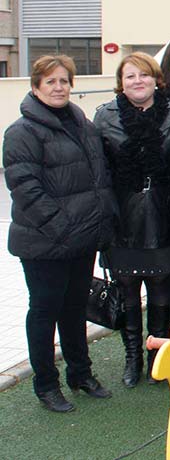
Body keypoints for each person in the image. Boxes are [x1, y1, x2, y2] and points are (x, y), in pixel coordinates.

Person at [4, 55, 117, 412]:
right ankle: (46, 384)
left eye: (64, 81)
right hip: (44, 243)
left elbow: (98, 179)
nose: (58, 87)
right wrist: (62, 229)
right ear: (36, 86)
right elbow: (26, 189)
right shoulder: (21, 132)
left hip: (80, 240)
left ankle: (81, 374)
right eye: (50, 81)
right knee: (44, 311)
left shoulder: (81, 124)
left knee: (73, 310)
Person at [93, 53, 170, 388]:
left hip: (165, 215)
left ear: (156, 79)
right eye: (130, 76)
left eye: (144, 75)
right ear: (121, 82)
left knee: (164, 296)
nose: (138, 81)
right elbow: (99, 174)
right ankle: (133, 356)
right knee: (128, 294)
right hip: (122, 219)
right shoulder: (104, 117)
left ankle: (158, 356)